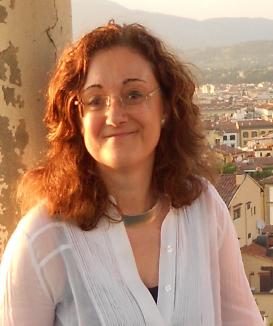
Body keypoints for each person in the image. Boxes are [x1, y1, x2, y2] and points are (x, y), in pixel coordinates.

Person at [0, 21, 263, 326]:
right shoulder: (42, 242)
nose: (114, 115)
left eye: (134, 94)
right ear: (78, 118)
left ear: (164, 107)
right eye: (96, 100)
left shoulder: (204, 209)